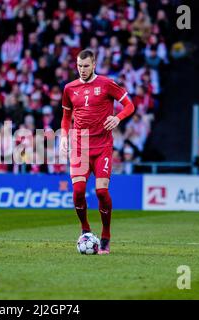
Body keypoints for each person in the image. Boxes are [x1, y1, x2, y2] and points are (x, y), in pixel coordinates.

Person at [60, 49, 135, 255]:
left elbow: (130, 105)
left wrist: (118, 118)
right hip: (79, 145)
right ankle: (85, 229)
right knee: (77, 192)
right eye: (79, 66)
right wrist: (64, 136)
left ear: (93, 65)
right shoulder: (69, 88)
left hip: (102, 146)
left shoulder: (106, 84)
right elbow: (66, 118)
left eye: (86, 66)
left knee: (101, 192)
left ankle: (106, 235)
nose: (82, 70)